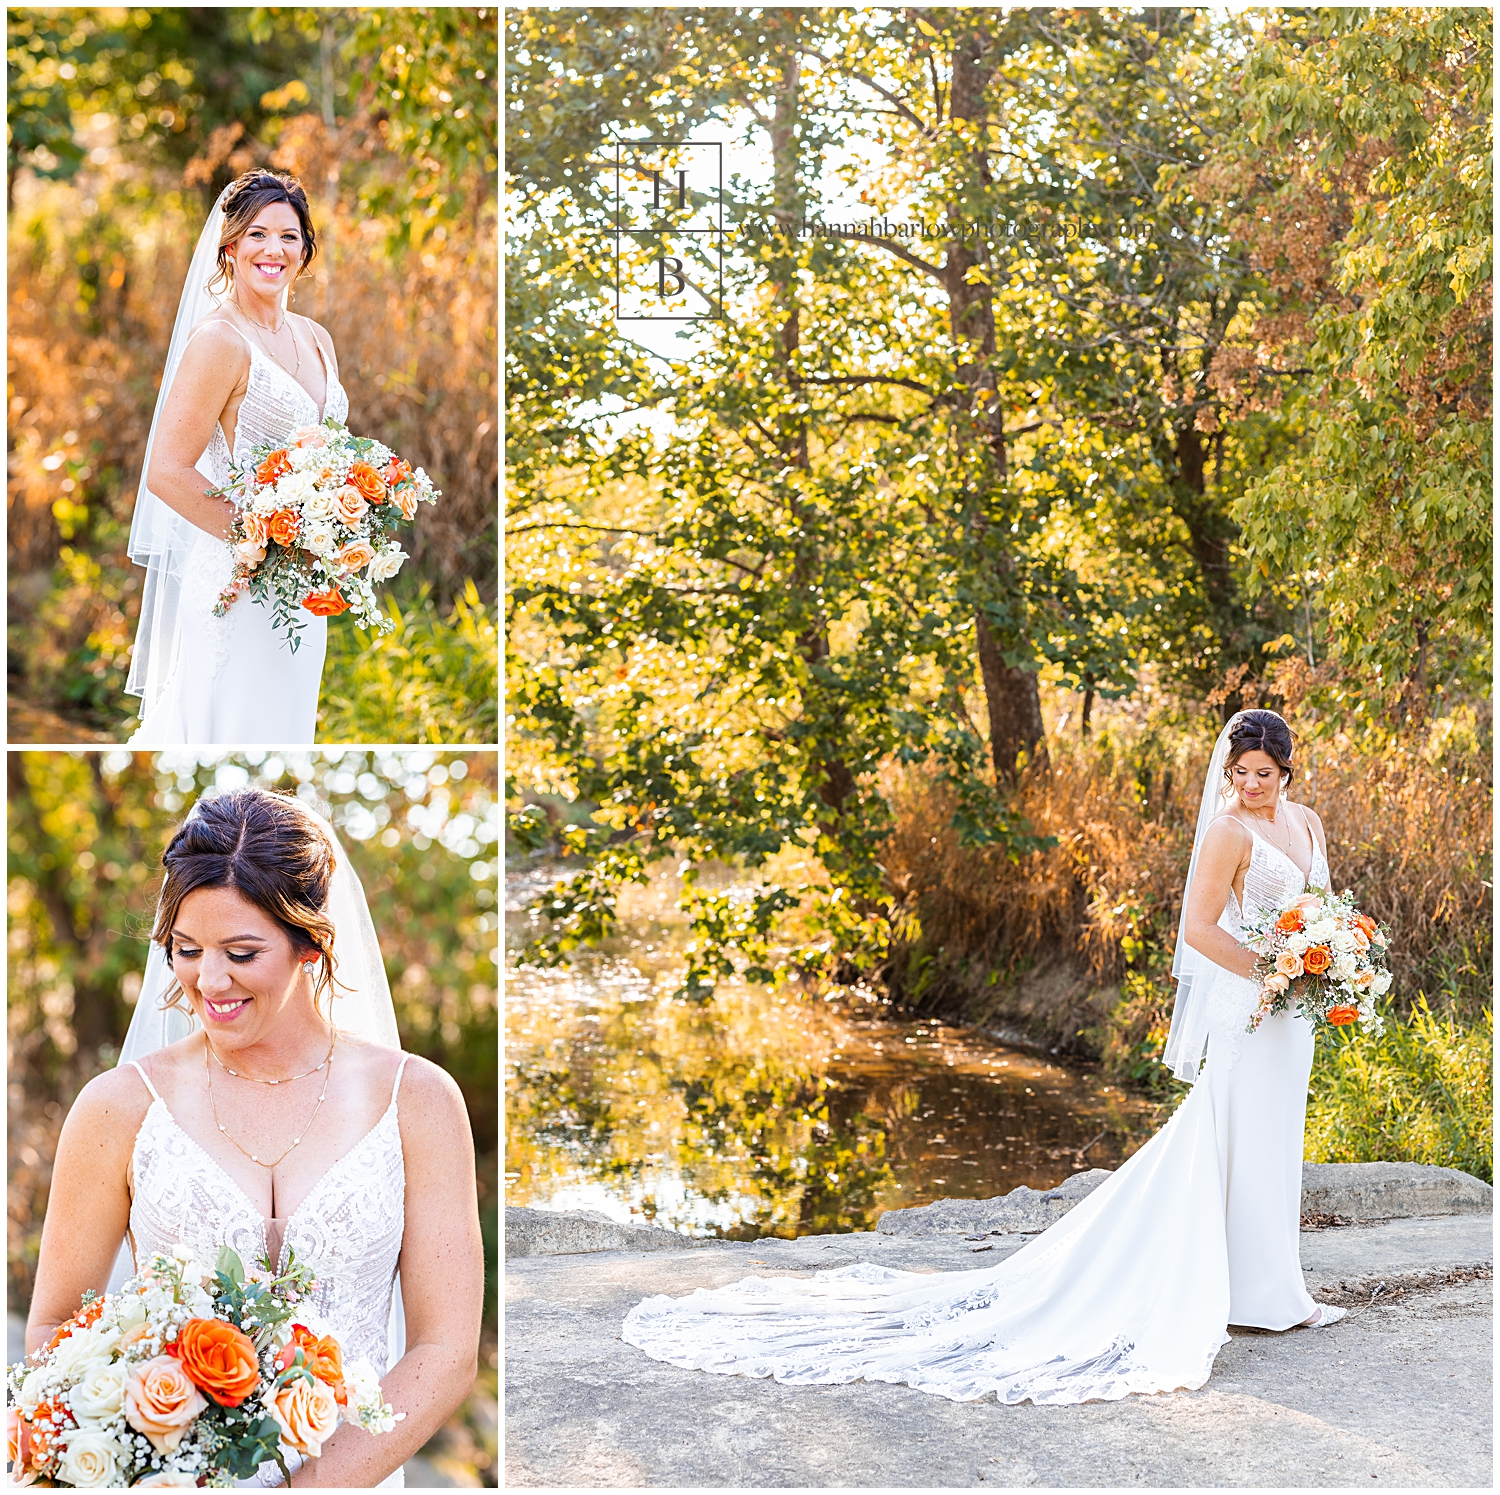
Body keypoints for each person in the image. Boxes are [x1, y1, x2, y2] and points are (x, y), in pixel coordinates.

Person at [622, 709, 1346, 1405]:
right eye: (1242, 771)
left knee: (1275, 1141)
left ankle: (1276, 1285)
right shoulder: (1226, 831)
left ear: (1287, 770)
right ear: (1231, 769)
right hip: (1253, 1006)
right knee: (1237, 1139)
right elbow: (1196, 930)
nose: (1251, 784)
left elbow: (1324, 909)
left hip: (1296, 1013)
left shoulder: (1306, 822)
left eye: (1264, 773)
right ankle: (1252, 1294)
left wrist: (1331, 958)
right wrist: (1270, 968)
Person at [27, 789, 484, 1485]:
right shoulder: (117, 1108)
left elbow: (445, 1349)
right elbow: (53, 1328)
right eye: (186, 949)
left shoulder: (416, 1102)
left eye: (241, 951)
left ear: (310, 941)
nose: (209, 980)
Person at [126, 171, 347, 744]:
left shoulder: (317, 338)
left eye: (289, 237)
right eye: (257, 235)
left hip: (303, 593)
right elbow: (166, 471)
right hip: (237, 584)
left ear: (305, 250)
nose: (273, 250)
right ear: (230, 246)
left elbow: (329, 449)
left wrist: (344, 519)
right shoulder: (219, 341)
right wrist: (262, 541)